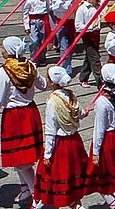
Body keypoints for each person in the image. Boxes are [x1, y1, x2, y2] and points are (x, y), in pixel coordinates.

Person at [0, 36, 47, 204]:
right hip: (31, 112)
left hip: (14, 117)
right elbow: (43, 85)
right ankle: (25, 188)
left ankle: (37, 194)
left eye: (3, 48)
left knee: (21, 159)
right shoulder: (30, 65)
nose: (1, 50)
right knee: (22, 156)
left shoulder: (3, 71)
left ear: (9, 51)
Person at [34, 66, 89, 209]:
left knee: (55, 178)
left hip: (60, 145)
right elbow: (80, 112)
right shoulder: (71, 95)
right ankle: (76, 205)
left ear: (52, 82)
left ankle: (54, 204)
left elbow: (51, 130)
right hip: (75, 141)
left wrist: (47, 154)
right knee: (73, 177)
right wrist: (84, 113)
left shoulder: (53, 101)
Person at [90, 64, 115, 209]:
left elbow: (99, 128)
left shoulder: (102, 101)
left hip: (108, 140)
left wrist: (95, 152)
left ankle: (114, 206)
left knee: (101, 177)